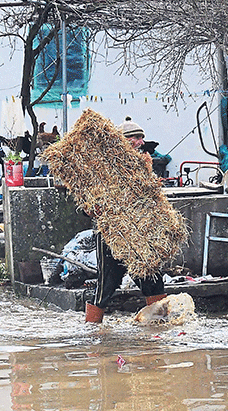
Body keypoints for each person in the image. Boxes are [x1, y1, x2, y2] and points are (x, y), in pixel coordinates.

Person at [84, 116, 167, 323]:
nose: (140, 142)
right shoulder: (102, 168)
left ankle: (160, 327)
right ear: (122, 141)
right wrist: (94, 209)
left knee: (153, 279)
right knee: (106, 285)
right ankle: (92, 330)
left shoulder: (143, 167)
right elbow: (87, 203)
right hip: (111, 235)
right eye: (135, 138)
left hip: (139, 234)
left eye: (141, 138)